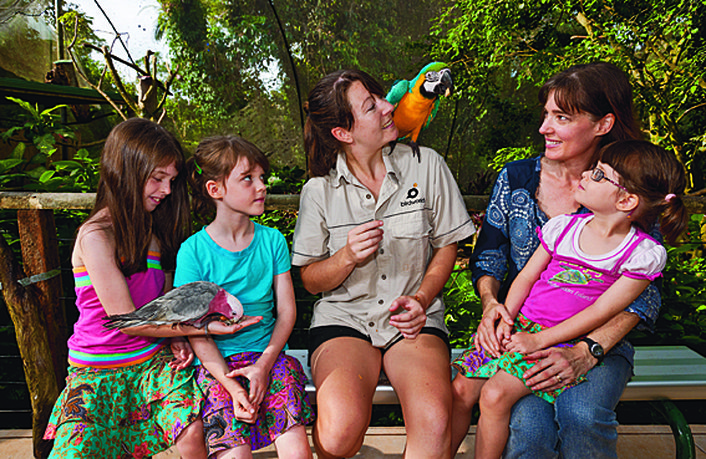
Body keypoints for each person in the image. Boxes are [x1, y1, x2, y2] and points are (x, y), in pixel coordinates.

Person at [452, 61, 663, 458]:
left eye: (561, 117)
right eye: (545, 114)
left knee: (573, 415)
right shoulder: (516, 178)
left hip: (597, 339)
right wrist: (492, 306)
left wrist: (588, 350)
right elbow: (490, 257)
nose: (543, 128)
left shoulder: (629, 187)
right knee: (499, 409)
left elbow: (644, 296)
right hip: (522, 329)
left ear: (603, 124)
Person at [43, 118, 258, 458]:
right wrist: (200, 327)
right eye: (158, 178)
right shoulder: (95, 237)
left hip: (149, 363)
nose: (167, 190)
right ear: (125, 170)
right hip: (95, 371)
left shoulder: (153, 237)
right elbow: (125, 319)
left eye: (171, 180)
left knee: (192, 428)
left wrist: (176, 339)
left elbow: (161, 307)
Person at [291, 69, 476, 458]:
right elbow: (310, 280)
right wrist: (345, 257)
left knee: (434, 422)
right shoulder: (318, 190)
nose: (389, 106)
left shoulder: (427, 165)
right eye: (371, 106)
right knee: (338, 433)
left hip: (413, 321)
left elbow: (447, 247)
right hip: (344, 319)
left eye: (381, 97)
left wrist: (422, 299)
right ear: (343, 133)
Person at [174, 135, 314, 459]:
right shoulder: (193, 252)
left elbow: (287, 312)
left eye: (262, 178)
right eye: (247, 179)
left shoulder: (273, 241)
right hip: (216, 368)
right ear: (215, 190)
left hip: (270, 358)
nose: (261, 186)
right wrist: (232, 385)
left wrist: (264, 365)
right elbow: (194, 329)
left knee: (298, 451)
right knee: (235, 455)